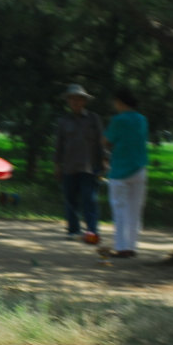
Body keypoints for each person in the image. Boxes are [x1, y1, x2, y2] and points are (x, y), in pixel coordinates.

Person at [54, 84, 106, 243]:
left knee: (89, 199)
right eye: (72, 99)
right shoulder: (63, 121)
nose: (75, 102)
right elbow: (59, 145)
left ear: (84, 101)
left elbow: (101, 142)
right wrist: (57, 165)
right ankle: (73, 230)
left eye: (79, 99)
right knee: (70, 199)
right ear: (68, 101)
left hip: (89, 167)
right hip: (69, 166)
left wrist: (104, 161)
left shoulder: (93, 119)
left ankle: (92, 230)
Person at [104, 87, 149, 258]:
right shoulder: (142, 120)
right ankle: (132, 246)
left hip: (120, 169)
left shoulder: (118, 120)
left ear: (119, 102)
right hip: (139, 168)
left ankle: (121, 247)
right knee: (135, 209)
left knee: (120, 209)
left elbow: (107, 140)